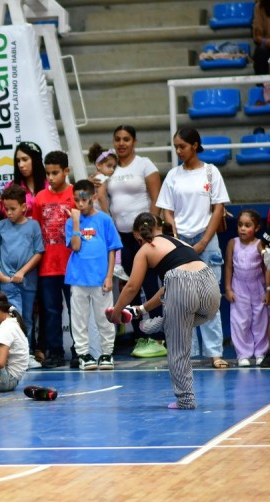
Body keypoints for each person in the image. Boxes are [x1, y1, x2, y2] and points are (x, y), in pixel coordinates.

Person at [108, 213, 220, 409]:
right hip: (210, 286)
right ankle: (159, 322)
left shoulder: (145, 249)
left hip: (182, 289)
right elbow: (171, 286)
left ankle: (185, 399)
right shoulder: (180, 242)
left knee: (178, 348)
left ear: (137, 235)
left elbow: (132, 287)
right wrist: (141, 309)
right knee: (186, 320)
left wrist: (116, 312)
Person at [157, 127, 230, 369]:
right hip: (180, 240)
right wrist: (176, 237)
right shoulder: (173, 175)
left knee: (210, 299)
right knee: (180, 300)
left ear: (195, 145)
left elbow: (218, 208)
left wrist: (203, 241)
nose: (178, 151)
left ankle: (215, 353)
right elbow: (166, 210)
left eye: (182, 146)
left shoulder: (211, 172)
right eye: (176, 147)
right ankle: (185, 354)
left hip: (206, 239)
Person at [98, 125, 165, 359]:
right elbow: (101, 195)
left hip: (144, 237)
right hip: (122, 237)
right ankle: (140, 336)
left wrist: (151, 231)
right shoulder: (110, 168)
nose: (121, 143)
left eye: (126, 139)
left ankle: (159, 337)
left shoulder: (144, 164)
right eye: (117, 139)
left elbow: (156, 198)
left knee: (150, 285)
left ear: (134, 141)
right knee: (130, 287)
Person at [65, 179, 122, 370]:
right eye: (76, 200)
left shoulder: (105, 220)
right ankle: (83, 354)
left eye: (84, 199)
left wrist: (109, 276)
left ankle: (107, 353)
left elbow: (112, 249)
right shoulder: (71, 222)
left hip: (100, 278)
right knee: (79, 319)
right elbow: (75, 246)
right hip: (78, 277)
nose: (80, 204)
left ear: (94, 197)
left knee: (104, 317)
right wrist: (75, 223)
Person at [33, 150, 75, 369]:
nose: (50, 177)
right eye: (47, 173)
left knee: (76, 310)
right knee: (50, 311)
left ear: (66, 171)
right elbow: (36, 230)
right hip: (47, 266)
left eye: (55, 173)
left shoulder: (76, 194)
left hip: (72, 264)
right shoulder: (40, 198)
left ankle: (79, 350)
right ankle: (55, 352)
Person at [0, 184, 44, 342]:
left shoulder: (33, 226)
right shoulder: (0, 226)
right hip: (7, 282)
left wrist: (22, 272)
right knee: (11, 319)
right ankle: (11, 351)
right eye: (6, 209)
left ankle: (26, 350)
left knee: (27, 318)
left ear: (24, 207)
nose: (9, 213)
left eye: (13, 209)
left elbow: (38, 253)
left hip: (28, 281)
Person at [224, 209, 269, 367]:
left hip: (258, 286)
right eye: (240, 225)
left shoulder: (259, 244)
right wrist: (228, 288)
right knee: (240, 320)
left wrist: (267, 290)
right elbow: (228, 266)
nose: (242, 228)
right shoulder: (233, 243)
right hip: (239, 287)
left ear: (257, 228)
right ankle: (243, 354)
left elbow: (266, 266)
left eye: (247, 225)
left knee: (260, 320)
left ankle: (260, 352)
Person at [5, 141, 47, 218]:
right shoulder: (11, 187)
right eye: (18, 161)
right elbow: (6, 213)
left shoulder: (49, 184)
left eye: (25, 159)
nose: (20, 165)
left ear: (36, 160)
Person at [87, 142, 117, 212]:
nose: (112, 170)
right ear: (98, 165)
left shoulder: (95, 177)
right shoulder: (101, 178)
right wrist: (106, 213)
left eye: (114, 167)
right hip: (99, 211)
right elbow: (101, 196)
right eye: (109, 166)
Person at [253, 0, 270, 77]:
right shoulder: (260, 7)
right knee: (260, 52)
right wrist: (267, 42)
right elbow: (257, 36)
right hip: (267, 46)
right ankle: (262, 82)